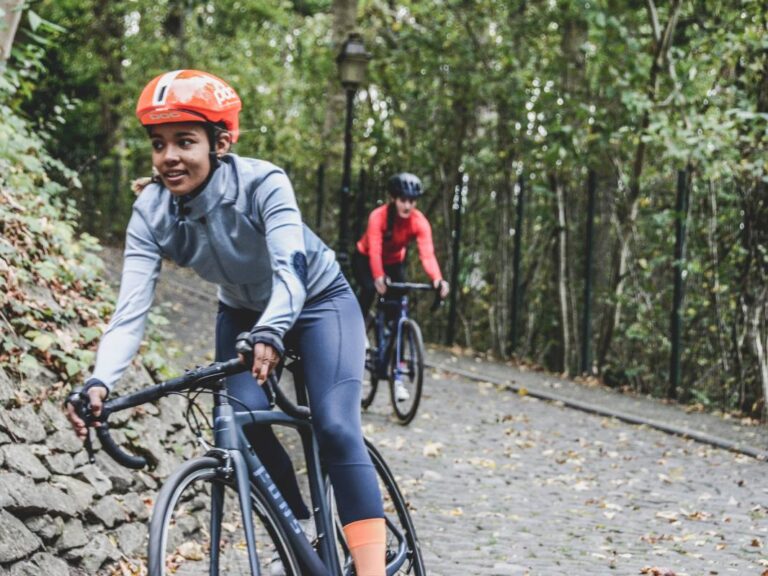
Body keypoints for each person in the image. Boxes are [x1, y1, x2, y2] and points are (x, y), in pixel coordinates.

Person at [65, 69, 386, 576]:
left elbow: (291, 271)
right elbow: (130, 311)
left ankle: (370, 568)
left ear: (221, 143)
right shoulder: (151, 212)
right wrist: (102, 379)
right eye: (158, 143)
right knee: (241, 419)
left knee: (336, 425)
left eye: (184, 141)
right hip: (240, 310)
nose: (168, 156)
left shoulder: (262, 182)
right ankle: (299, 535)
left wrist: (273, 330)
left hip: (319, 300)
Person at [353, 173, 449, 400]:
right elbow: (374, 249)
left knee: (398, 315)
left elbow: (427, 254)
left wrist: (437, 278)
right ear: (394, 199)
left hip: (394, 261)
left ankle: (397, 378)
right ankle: (358, 331)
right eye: (403, 200)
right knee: (368, 289)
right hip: (366, 258)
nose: (407, 205)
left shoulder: (419, 222)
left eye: (412, 201)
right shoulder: (379, 217)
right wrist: (378, 277)